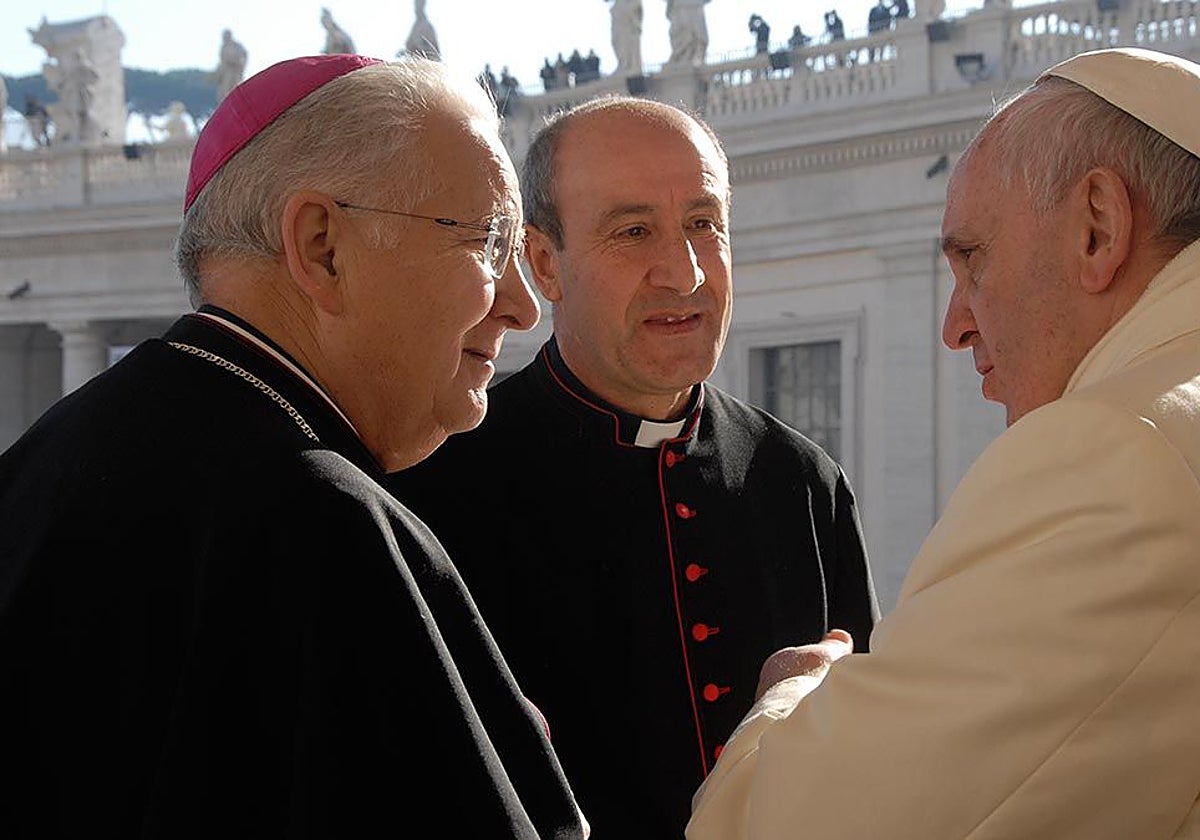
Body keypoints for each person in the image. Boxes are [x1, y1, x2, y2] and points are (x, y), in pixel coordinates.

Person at [0, 53, 589, 839]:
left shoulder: (44, 458)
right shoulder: (321, 521)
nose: (524, 307)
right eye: (487, 244)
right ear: (322, 247)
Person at [687, 46, 1200, 839]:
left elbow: (779, 823)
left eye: (973, 259)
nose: (954, 325)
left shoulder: (1113, 453)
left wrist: (794, 694)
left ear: (1098, 228)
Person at [388, 95, 879, 839]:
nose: (682, 273)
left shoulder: (805, 483)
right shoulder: (435, 485)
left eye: (704, 225)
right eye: (633, 231)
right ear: (545, 264)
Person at [665, 0, 711, 67]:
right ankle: (682, 56)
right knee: (680, 32)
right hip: (679, 7)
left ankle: (692, 57)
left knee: (695, 33)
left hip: (693, 6)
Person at [609, 0, 644, 77]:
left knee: (627, 44)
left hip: (628, 24)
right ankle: (623, 64)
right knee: (616, 41)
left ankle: (629, 65)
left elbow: (637, 8)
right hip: (618, 22)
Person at [215, 28, 248, 104]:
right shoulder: (223, 47)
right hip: (226, 71)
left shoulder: (237, 45)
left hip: (235, 71)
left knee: (235, 90)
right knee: (224, 92)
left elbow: (245, 55)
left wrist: (241, 64)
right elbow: (222, 59)